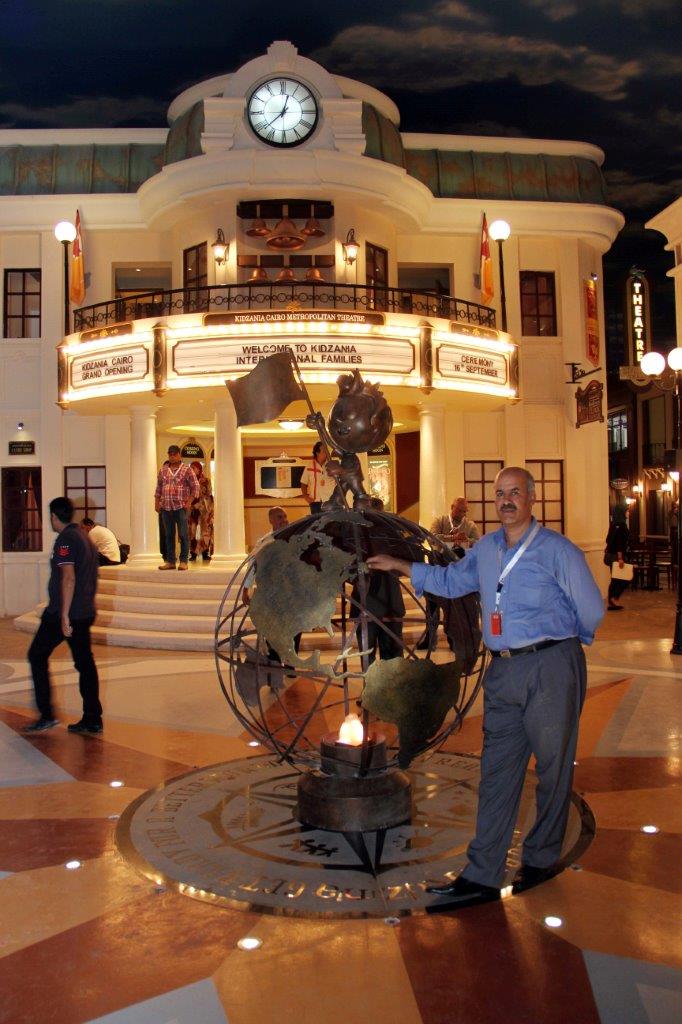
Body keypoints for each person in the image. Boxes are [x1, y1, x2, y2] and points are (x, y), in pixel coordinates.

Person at [367, 466, 604, 907]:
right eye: (500, 494)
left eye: (515, 492)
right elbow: (451, 581)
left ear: (531, 498)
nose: (506, 501)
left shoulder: (558, 550)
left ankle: (540, 857)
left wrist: (563, 647)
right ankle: (482, 873)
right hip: (503, 672)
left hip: (551, 666)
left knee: (553, 769)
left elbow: (591, 609)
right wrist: (401, 565)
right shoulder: (486, 549)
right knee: (496, 772)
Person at [24, 496, 102, 735]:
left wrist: (65, 616)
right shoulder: (84, 536)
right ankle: (93, 719)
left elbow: (68, 578)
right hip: (84, 611)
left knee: (37, 655)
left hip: (64, 613)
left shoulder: (66, 539)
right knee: (85, 663)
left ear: (53, 516)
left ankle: (46, 714)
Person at [243, 506, 301, 668]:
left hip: (291, 592)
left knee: (295, 627)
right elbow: (252, 567)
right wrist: (246, 590)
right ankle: (274, 663)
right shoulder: (264, 542)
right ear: (271, 520)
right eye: (279, 517)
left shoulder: (296, 539)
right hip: (271, 594)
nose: (284, 520)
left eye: (285, 516)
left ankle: (290, 663)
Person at [155, 445, 200, 570]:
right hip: (166, 507)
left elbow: (196, 487)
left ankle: (184, 561)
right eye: (170, 454)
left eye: (174, 454)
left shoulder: (187, 470)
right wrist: (157, 502)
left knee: (183, 535)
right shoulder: (163, 470)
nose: (172, 456)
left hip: (181, 507)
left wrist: (189, 502)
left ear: (179, 455)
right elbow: (159, 487)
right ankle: (170, 561)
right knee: (169, 535)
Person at [604, 504, 631, 611]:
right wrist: (620, 558)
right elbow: (620, 542)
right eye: (627, 511)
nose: (628, 513)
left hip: (610, 555)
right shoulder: (622, 525)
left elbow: (607, 540)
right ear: (622, 512)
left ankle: (612, 601)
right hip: (617, 556)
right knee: (626, 578)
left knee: (615, 578)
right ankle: (614, 598)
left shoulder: (613, 524)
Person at [300, 441, 336, 513]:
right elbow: (303, 483)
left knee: (330, 520)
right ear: (317, 453)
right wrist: (306, 496)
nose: (326, 452)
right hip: (315, 502)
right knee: (316, 520)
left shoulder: (332, 465)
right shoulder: (309, 465)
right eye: (324, 451)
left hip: (330, 501)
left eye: (327, 450)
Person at [188, 461, 214, 562]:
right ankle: (193, 554)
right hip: (192, 510)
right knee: (192, 532)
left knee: (205, 532)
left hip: (204, 510)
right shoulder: (188, 481)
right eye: (191, 468)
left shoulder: (206, 480)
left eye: (194, 468)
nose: (192, 470)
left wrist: (202, 505)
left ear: (199, 469)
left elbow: (209, 494)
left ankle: (205, 553)